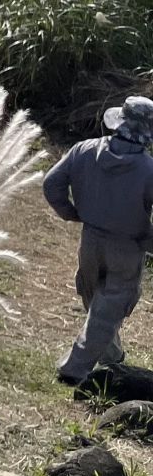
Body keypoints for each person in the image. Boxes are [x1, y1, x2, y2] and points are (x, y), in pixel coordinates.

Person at [44, 96, 153, 384]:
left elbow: (51, 184)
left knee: (95, 300)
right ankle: (73, 369)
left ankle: (111, 357)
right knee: (108, 308)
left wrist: (70, 212)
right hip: (127, 247)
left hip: (90, 241)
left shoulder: (84, 150)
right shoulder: (148, 170)